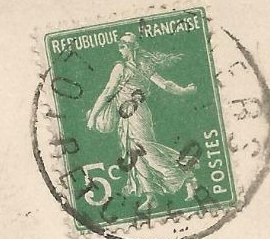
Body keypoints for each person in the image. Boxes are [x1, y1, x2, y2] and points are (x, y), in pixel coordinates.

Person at [84, 32, 200, 212]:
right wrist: (185, 91)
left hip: (137, 115)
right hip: (127, 116)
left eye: (124, 45)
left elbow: (108, 92)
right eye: (120, 45)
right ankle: (151, 196)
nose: (120, 48)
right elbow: (165, 85)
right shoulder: (134, 66)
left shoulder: (127, 68)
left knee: (148, 152)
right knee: (134, 156)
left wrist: (93, 117)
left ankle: (184, 175)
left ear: (133, 47)